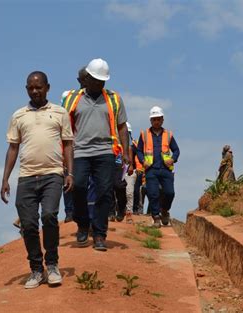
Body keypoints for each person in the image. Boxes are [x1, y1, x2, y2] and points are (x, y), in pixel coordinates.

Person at [0, 71, 74, 289]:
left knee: (50, 215)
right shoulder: (18, 115)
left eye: (39, 87)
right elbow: (13, 147)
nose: (35, 91)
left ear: (47, 87)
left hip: (53, 173)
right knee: (29, 224)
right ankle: (36, 269)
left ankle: (52, 265)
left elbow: (68, 144)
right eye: (31, 88)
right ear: (26, 89)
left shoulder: (60, 113)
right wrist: (5, 179)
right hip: (26, 177)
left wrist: (70, 173)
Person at [63, 58, 132, 251]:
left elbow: (122, 127)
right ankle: (83, 224)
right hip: (80, 152)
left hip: (105, 152)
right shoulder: (72, 98)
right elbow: (63, 127)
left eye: (103, 81)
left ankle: (100, 234)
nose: (100, 84)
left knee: (104, 192)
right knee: (77, 187)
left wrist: (126, 152)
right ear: (87, 79)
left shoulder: (114, 98)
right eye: (96, 80)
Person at [137, 106, 180, 228]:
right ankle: (156, 217)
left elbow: (176, 150)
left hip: (166, 170)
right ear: (151, 121)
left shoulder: (168, 135)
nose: (156, 121)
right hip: (151, 169)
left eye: (158, 119)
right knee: (153, 194)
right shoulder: (144, 134)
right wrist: (142, 160)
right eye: (154, 119)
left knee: (170, 193)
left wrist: (172, 159)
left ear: (162, 120)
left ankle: (165, 210)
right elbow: (139, 150)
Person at [61, 67, 88, 223]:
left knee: (85, 184)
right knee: (68, 180)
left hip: (87, 148)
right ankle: (70, 212)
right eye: (83, 78)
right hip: (70, 146)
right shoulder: (71, 100)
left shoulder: (96, 98)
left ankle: (82, 212)